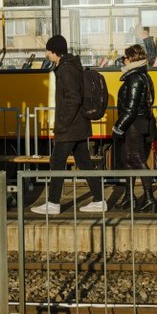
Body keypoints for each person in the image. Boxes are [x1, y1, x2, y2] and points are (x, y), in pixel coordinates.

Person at [31, 35, 107, 215]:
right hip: (78, 125)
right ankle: (99, 200)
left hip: (71, 127)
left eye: (48, 50)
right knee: (84, 162)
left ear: (54, 51)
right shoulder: (70, 66)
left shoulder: (66, 70)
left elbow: (73, 99)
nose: (47, 54)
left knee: (57, 161)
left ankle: (53, 203)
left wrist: (63, 123)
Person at [112, 44, 157, 212]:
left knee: (136, 159)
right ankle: (129, 196)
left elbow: (130, 109)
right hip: (138, 123)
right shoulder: (143, 75)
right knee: (129, 161)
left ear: (131, 58)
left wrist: (118, 127)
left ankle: (149, 198)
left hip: (134, 125)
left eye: (125, 57)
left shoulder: (135, 78)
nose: (123, 61)